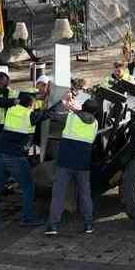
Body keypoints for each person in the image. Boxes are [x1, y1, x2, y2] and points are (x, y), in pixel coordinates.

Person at [45, 93, 98, 236]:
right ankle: (88, 224)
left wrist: (61, 101)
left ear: (83, 107)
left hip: (65, 162)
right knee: (85, 195)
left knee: (59, 193)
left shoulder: (71, 117)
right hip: (83, 164)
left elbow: (52, 114)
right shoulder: (95, 123)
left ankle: (53, 226)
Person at [0, 91, 40, 226]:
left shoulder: (11, 110)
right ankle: (27, 218)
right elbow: (47, 113)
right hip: (15, 157)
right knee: (28, 186)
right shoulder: (31, 115)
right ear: (31, 105)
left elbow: (30, 106)